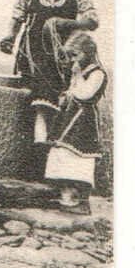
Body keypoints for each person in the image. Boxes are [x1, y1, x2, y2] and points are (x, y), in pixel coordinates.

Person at [0, 0, 98, 178]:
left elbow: (93, 20)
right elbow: (17, 15)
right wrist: (10, 37)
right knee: (33, 102)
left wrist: (68, 23)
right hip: (33, 53)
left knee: (58, 104)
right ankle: (30, 161)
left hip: (65, 54)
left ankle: (50, 164)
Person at [44, 32, 107, 214]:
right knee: (61, 150)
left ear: (87, 53)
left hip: (83, 120)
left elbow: (84, 94)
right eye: (71, 56)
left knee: (75, 154)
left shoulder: (97, 73)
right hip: (69, 117)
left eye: (75, 55)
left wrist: (77, 76)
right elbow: (72, 92)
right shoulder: (79, 71)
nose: (72, 59)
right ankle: (66, 197)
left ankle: (77, 199)